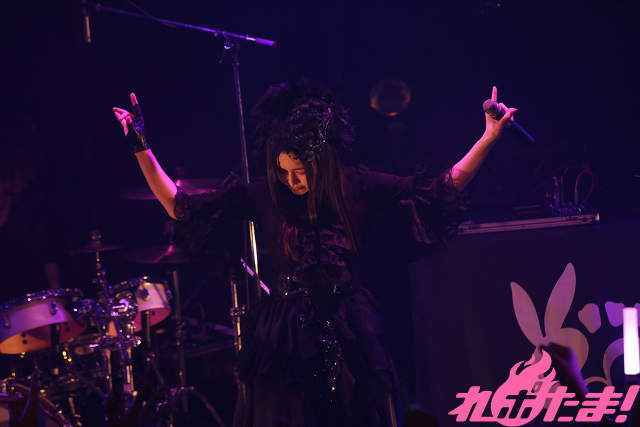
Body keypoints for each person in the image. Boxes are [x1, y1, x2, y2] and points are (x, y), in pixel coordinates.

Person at [113, 79, 516, 427]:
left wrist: (488, 139)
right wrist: (140, 146)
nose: (290, 181)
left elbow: (441, 188)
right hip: (286, 332)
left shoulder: (358, 184)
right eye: (282, 171)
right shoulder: (265, 194)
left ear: (320, 163)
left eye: (299, 172)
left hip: (350, 322)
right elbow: (180, 206)